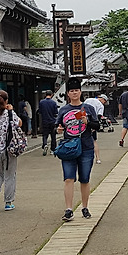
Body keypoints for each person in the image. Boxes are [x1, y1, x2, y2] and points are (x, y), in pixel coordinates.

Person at [57, 77, 100, 221]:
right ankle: (69, 209)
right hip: (69, 147)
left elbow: (97, 126)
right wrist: (58, 129)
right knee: (68, 178)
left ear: (80, 92)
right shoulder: (63, 110)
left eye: (76, 90)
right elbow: (58, 126)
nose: (74, 93)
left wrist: (87, 122)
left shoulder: (89, 108)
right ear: (68, 94)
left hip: (86, 147)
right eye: (71, 91)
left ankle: (85, 207)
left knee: (84, 179)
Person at [37, 89, 59, 156]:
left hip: (44, 121)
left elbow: (40, 111)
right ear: (52, 95)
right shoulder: (53, 103)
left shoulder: (41, 102)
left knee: (45, 135)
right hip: (52, 121)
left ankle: (45, 144)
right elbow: (56, 113)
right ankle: (52, 149)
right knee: (53, 136)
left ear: (45, 95)